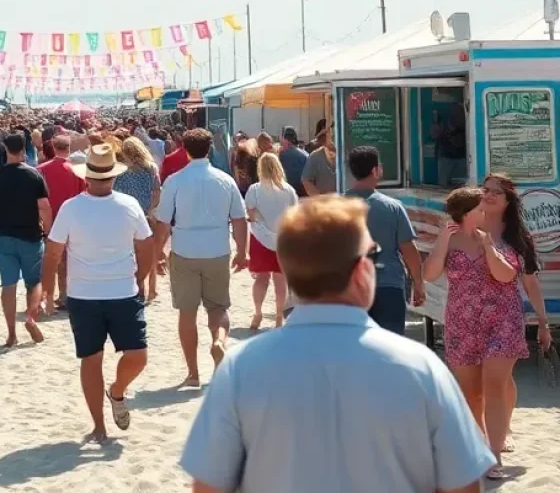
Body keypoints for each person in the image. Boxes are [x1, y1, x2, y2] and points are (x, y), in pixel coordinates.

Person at [181, 194, 495, 493]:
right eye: (372, 255)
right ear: (361, 271)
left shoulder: (240, 369)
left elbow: (208, 484)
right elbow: (463, 483)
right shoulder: (421, 368)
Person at [41, 143, 154, 444]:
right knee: (91, 359)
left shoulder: (127, 205)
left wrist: (139, 278)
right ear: (90, 177)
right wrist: (49, 290)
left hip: (122, 292)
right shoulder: (72, 207)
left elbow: (146, 246)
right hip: (84, 295)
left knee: (138, 356)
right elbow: (53, 253)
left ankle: (116, 391)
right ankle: (98, 425)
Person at [424, 186, 531, 480]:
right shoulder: (449, 238)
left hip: (502, 319)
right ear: (469, 212)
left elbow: (506, 275)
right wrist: (443, 240)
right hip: (462, 322)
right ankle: (480, 448)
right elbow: (429, 274)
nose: (486, 210)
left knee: (495, 384)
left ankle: (494, 456)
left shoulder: (501, 236)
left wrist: (487, 247)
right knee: (472, 393)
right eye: (481, 206)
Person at [155, 128, 248, 386]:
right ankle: (218, 341)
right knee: (218, 307)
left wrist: (157, 253)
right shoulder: (225, 180)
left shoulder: (175, 180)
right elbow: (239, 219)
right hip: (217, 247)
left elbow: (163, 222)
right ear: (209, 149)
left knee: (187, 312)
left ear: (185, 149)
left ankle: (193, 373)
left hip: (185, 248)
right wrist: (243, 251)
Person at [479, 172, 552, 453]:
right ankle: (494, 429)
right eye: (485, 190)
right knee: (491, 380)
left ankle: (501, 430)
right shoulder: (470, 228)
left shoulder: (519, 238)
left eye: (496, 192)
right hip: (471, 316)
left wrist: (542, 323)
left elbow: (530, 282)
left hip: (507, 317)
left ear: (508, 200)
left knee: (497, 379)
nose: (488, 195)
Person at [0, 133, 52, 347]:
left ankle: (11, 333)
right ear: (24, 149)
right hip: (30, 235)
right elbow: (44, 208)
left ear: (5, 149)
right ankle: (30, 317)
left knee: (8, 285)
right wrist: (48, 232)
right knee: (34, 282)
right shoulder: (34, 175)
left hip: (5, 236)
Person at [344, 146, 425, 334]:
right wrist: (418, 282)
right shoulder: (392, 207)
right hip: (389, 286)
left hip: (348, 288)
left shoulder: (335, 208)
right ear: (375, 170)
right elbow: (408, 249)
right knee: (389, 347)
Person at [244, 152, 297, 330]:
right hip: (282, 238)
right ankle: (279, 317)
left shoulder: (255, 189)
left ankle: (257, 313)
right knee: (280, 280)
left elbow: (250, 215)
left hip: (260, 237)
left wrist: (256, 218)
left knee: (261, 278)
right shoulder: (288, 190)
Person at [37, 132, 85, 309]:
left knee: (49, 260)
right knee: (68, 259)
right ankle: (65, 295)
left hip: (49, 219)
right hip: (73, 220)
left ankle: (47, 296)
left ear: (54, 148)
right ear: (69, 148)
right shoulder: (77, 171)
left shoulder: (42, 169)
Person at [113, 137, 161, 301]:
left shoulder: (121, 172)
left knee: (133, 253)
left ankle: (139, 287)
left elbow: (116, 194)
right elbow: (156, 192)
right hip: (147, 214)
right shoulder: (151, 169)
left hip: (127, 216)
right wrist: (150, 209)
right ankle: (152, 289)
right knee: (150, 252)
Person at [278, 127, 308, 197]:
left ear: (285, 140)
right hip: (302, 191)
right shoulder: (305, 154)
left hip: (286, 192)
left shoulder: (280, 155)